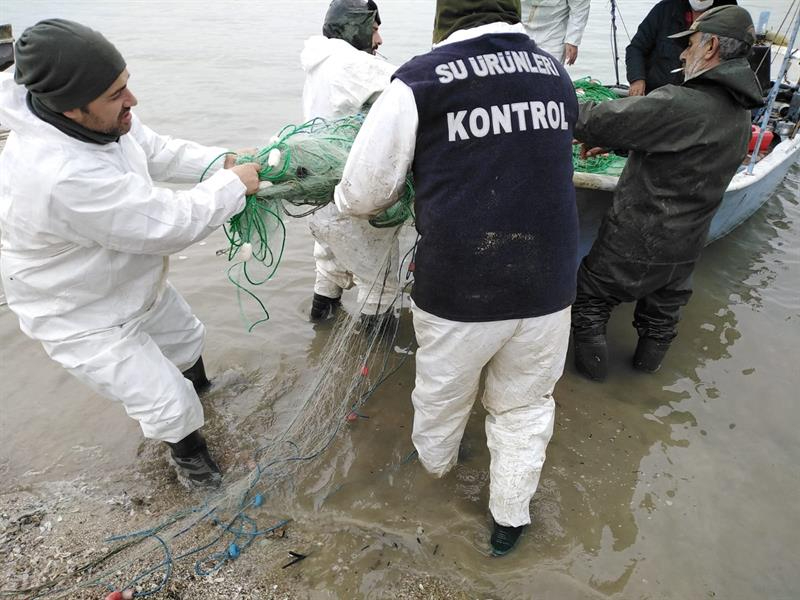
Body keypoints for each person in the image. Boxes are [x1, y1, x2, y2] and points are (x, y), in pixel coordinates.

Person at [334, 0, 579, 556]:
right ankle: (509, 521)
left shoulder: (418, 81)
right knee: (525, 405)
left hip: (461, 286)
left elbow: (365, 192)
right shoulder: (554, 72)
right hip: (549, 282)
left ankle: (436, 475)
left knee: (443, 397)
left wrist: (343, 197)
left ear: (446, 17)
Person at [0, 19, 261, 487]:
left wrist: (219, 161)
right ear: (73, 110)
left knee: (186, 339)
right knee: (166, 402)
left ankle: (205, 394)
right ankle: (192, 463)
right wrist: (232, 184)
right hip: (78, 310)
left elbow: (154, 149)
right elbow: (169, 225)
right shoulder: (59, 175)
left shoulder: (91, 109)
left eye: (126, 85)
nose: (132, 102)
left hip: (127, 277)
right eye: (117, 95)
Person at [572, 5, 762, 381]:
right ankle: (642, 390)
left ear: (710, 48)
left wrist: (540, 96)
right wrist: (625, 146)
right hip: (685, 248)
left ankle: (593, 384)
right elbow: (689, 150)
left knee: (590, 303)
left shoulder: (679, 101)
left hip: (634, 239)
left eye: (689, 44)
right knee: (660, 321)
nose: (681, 53)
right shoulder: (741, 114)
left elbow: (591, 120)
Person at [303, 0, 401, 323]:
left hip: (322, 204)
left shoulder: (319, 62)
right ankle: (369, 371)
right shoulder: (353, 64)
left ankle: (317, 336)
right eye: (374, 29)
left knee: (330, 270)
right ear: (354, 27)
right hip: (352, 209)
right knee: (381, 286)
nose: (379, 40)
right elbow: (409, 88)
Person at [626, 0, 737, 96]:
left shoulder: (730, 15)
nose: (683, 55)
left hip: (699, 98)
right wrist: (637, 79)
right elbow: (636, 48)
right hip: (656, 93)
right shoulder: (665, 9)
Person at [522, 0, 590, 65]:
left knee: (551, 70)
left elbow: (579, 9)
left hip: (554, 30)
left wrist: (572, 41)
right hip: (520, 23)